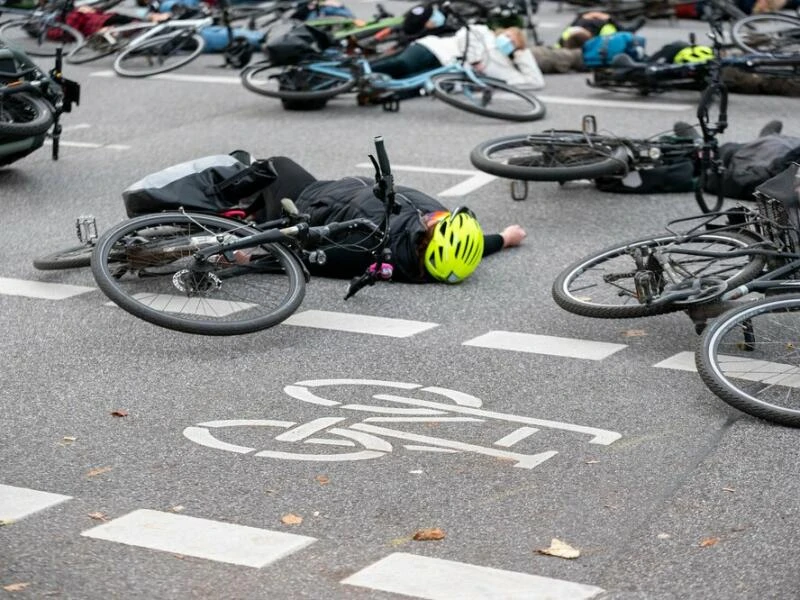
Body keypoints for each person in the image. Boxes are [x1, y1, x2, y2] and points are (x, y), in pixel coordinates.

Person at [252, 156, 526, 283]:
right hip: (339, 190)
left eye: (436, 224)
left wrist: (248, 261)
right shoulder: (443, 253)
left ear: (425, 242)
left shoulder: (372, 248)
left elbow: (310, 259)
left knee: (274, 166)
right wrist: (504, 238)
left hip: (306, 202)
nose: (436, 217)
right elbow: (472, 248)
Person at [367, 3, 545, 93]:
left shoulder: (506, 68)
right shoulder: (484, 33)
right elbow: (463, 35)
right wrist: (473, 59)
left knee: (406, 85)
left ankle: (366, 90)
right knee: (402, 66)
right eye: (508, 35)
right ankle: (360, 69)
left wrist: (522, 53)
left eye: (513, 42)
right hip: (435, 50)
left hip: (445, 69)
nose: (508, 41)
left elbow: (535, 81)